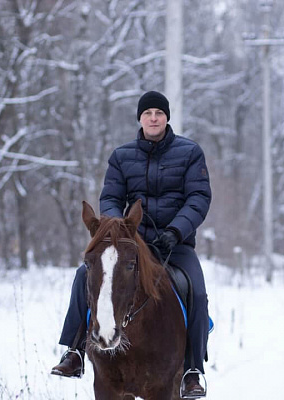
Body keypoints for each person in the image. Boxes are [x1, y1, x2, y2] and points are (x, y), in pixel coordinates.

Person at [50, 91, 212, 398]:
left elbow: (198, 198)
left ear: (167, 118)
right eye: (148, 113)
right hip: (127, 241)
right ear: (140, 118)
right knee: (84, 276)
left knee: (197, 292)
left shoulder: (190, 153)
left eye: (159, 113)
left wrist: (176, 231)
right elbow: (110, 196)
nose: (153, 118)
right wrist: (118, 226)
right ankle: (74, 351)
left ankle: (192, 369)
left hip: (173, 245)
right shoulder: (121, 156)